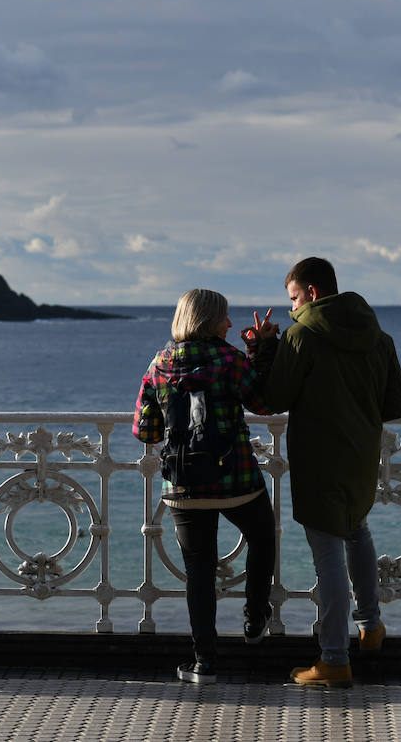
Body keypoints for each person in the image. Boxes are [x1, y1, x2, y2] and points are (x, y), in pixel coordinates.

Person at [251, 257, 401, 689]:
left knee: (328, 556)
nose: (292, 309)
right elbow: (396, 405)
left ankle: (335, 659)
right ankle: (371, 626)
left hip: (320, 459)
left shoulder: (302, 336)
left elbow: (273, 397)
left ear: (313, 292)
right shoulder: (379, 337)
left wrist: (265, 349)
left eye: (294, 298)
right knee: (356, 532)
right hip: (360, 458)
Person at [135, 288, 278, 684]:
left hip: (183, 486)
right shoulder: (230, 360)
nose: (230, 324)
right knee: (263, 536)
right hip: (235, 479)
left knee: (199, 568)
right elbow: (264, 403)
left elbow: (145, 430)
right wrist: (262, 350)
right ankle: (254, 617)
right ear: (209, 321)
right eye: (225, 317)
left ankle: (204, 663)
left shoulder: (159, 364)